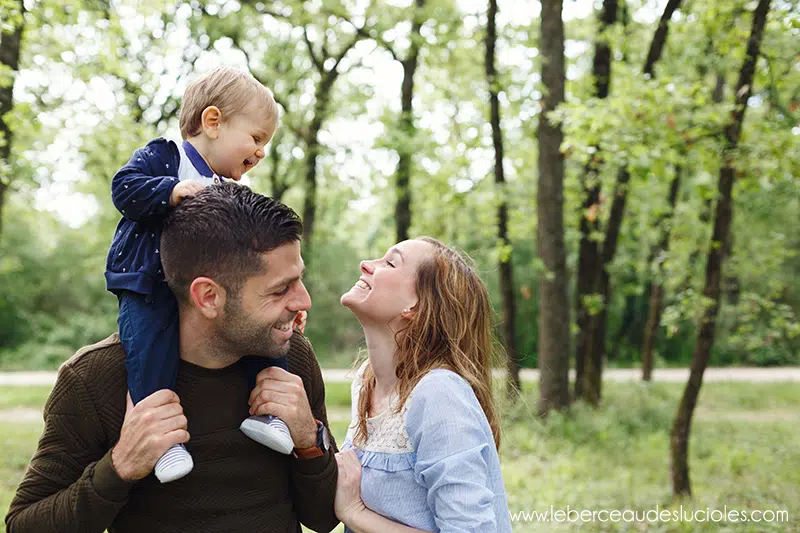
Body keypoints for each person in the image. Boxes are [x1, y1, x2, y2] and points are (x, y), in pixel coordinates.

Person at [5, 183, 338, 533]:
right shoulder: (95, 378)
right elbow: (23, 525)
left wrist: (309, 441)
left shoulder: (292, 358)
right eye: (280, 289)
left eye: (298, 280)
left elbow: (323, 518)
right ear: (208, 297)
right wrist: (119, 467)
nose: (304, 301)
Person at [104, 66, 296, 483]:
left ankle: (271, 414)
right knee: (149, 351)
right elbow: (124, 186)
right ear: (213, 122)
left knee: (263, 329)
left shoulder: (228, 188)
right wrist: (169, 191)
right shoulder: (167, 155)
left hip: (210, 290)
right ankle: (164, 443)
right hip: (148, 279)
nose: (261, 151)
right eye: (256, 138)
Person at [334, 237, 513, 533]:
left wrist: (354, 513)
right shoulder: (367, 382)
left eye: (390, 263)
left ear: (414, 306)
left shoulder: (438, 394)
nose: (366, 265)